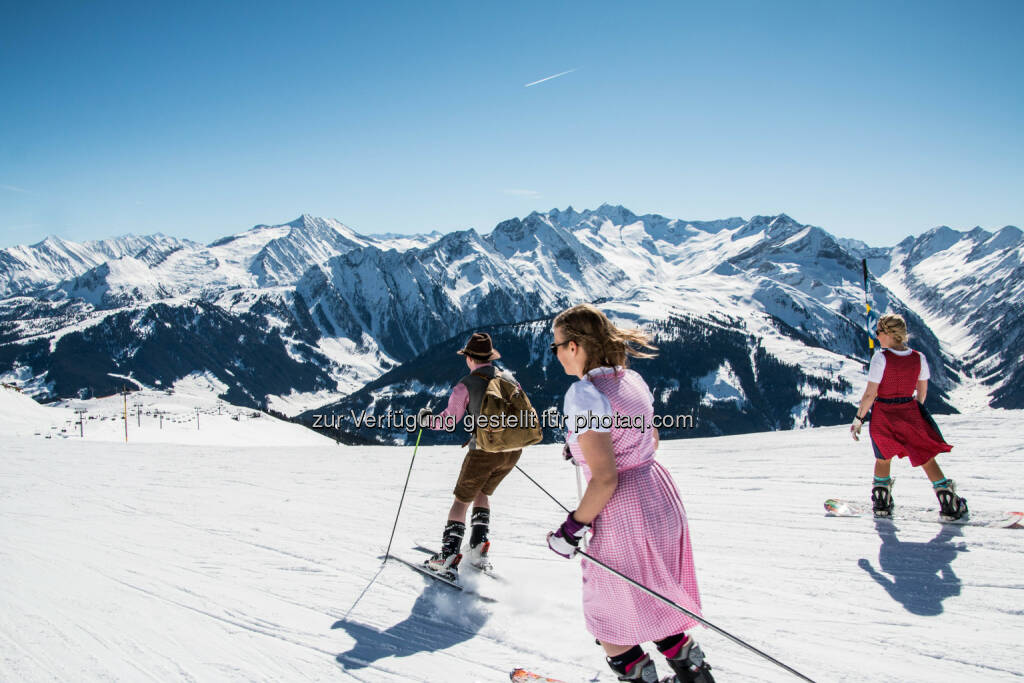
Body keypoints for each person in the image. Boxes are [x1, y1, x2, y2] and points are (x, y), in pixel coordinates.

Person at [546, 304, 714, 683]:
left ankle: (639, 677)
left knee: (609, 619)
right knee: (653, 593)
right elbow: (649, 438)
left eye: (556, 346)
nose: (555, 354)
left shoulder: (583, 395)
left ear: (574, 347)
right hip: (658, 495)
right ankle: (694, 672)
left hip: (624, 512)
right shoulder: (631, 380)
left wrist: (570, 530)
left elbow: (605, 478)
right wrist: (582, 446)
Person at [417, 332, 523, 578]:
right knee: (482, 492)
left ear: (469, 358)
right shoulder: (508, 378)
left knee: (460, 501)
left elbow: (449, 420)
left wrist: (426, 420)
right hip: (512, 452)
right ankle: (477, 549)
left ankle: (448, 557)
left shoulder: (466, 384)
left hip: (483, 452)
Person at [850, 313, 967, 520]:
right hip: (908, 412)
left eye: (879, 332)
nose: (876, 336)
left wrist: (858, 419)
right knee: (925, 458)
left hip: (883, 415)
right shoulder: (918, 358)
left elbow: (870, 394)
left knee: (883, 458)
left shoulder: (880, 358)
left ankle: (881, 501)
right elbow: (922, 391)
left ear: (889, 334)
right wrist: (915, 411)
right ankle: (948, 502)